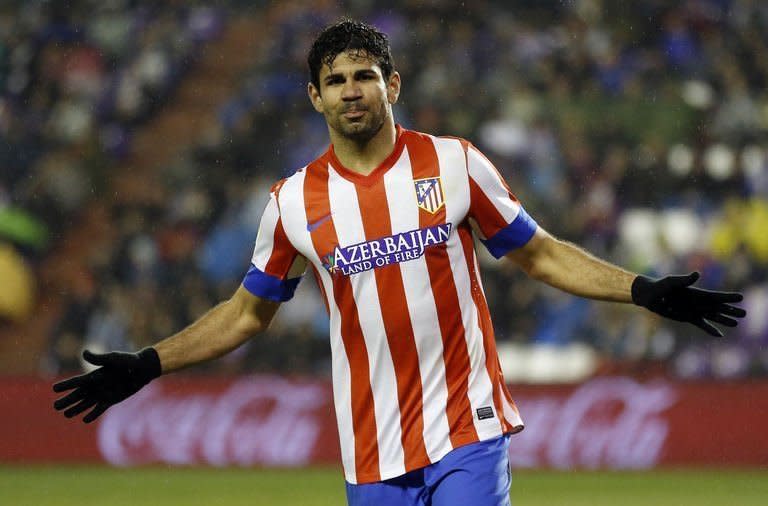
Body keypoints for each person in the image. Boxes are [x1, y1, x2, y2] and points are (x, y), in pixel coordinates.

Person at [53, 20, 746, 506]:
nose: (351, 89)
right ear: (314, 97)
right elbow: (244, 315)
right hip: (371, 443)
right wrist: (148, 363)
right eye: (336, 80)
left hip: (467, 425)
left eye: (364, 76)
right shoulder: (293, 203)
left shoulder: (453, 164)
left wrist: (644, 290)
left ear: (393, 84)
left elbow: (537, 253)